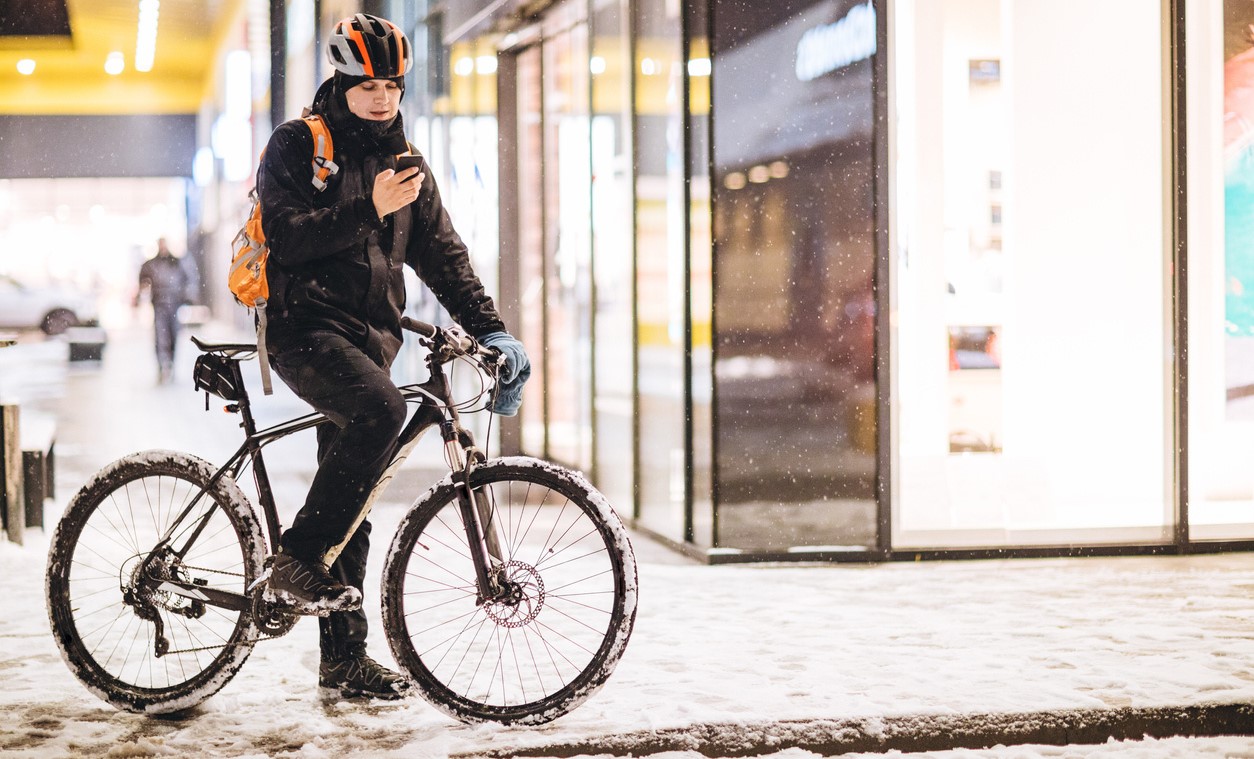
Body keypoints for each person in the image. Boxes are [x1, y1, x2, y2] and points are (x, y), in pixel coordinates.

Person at [255, 13, 530, 702]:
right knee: (381, 409)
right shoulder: (298, 146)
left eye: (393, 85)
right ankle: (293, 560)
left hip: (369, 340)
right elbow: (286, 240)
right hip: (302, 331)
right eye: (368, 85)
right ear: (342, 83)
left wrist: (493, 331)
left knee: (356, 497)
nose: (382, 98)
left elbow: (444, 257)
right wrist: (369, 208)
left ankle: (342, 660)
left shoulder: (407, 166)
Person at [134, 237, 194, 383]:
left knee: (173, 335)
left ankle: (171, 363)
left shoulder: (177, 262)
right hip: (159, 304)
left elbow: (189, 279)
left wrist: (186, 295)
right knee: (160, 336)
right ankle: (162, 364)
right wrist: (140, 293)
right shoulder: (152, 264)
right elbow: (142, 277)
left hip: (174, 304)